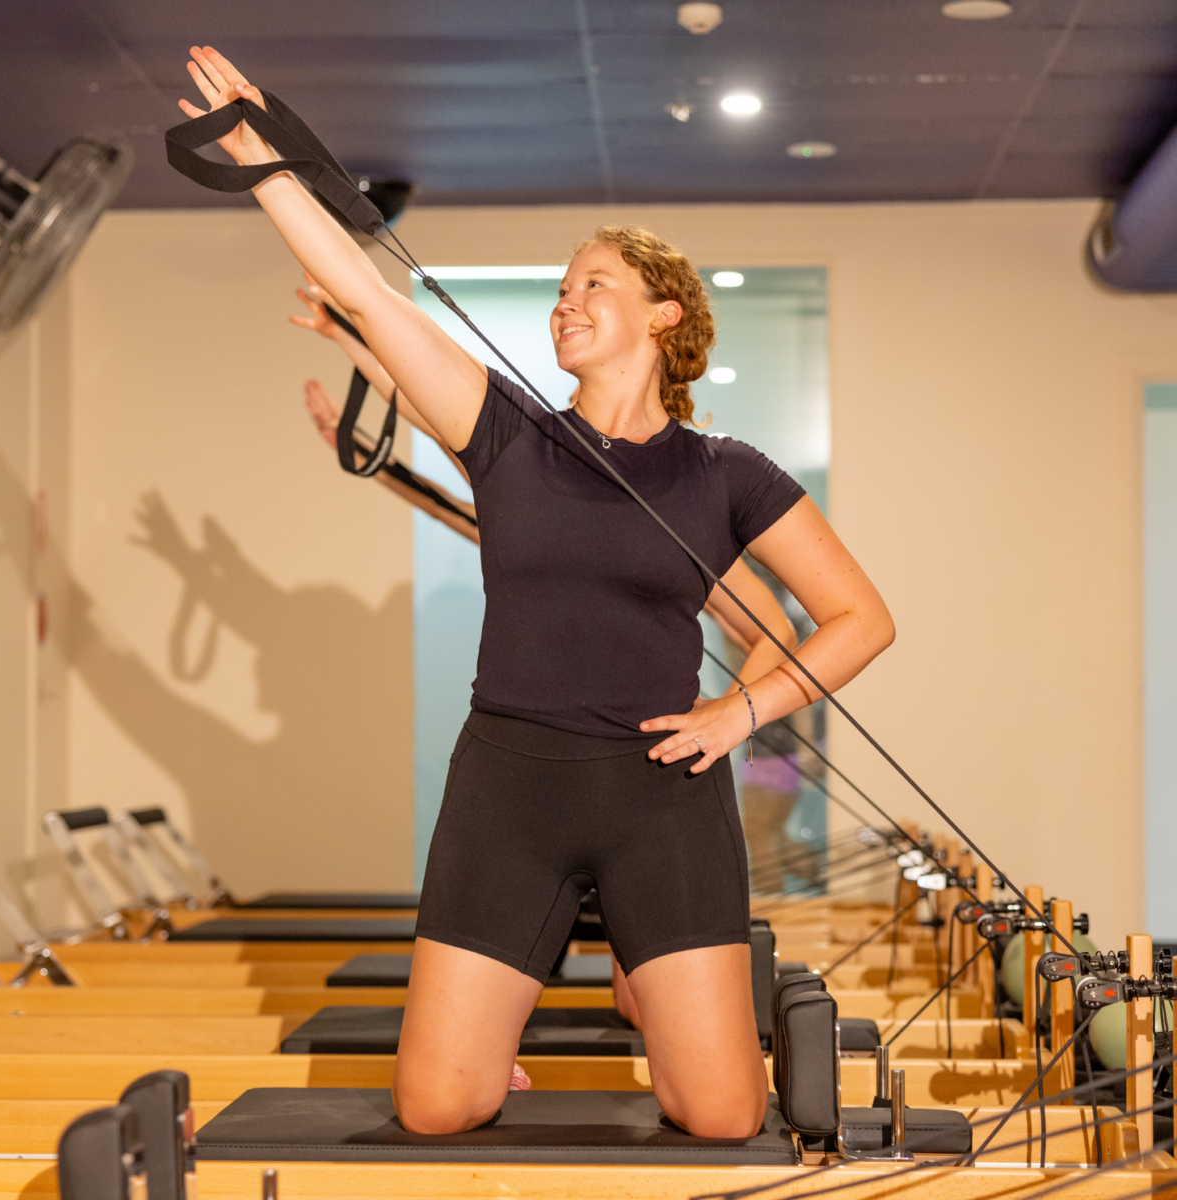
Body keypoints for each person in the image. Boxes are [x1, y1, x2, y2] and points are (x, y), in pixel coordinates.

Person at [179, 46, 895, 1139]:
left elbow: (860, 620)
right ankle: (513, 1028)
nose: (567, 303)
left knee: (720, 1115)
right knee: (437, 1107)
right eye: (561, 292)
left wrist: (740, 713)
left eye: (593, 284)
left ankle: (653, 998)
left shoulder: (726, 475)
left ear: (665, 314)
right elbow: (368, 293)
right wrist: (258, 158)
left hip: (662, 794)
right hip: (509, 788)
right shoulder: (506, 432)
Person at [294, 280, 802, 1028]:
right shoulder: (542, 508)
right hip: (545, 779)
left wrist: (730, 714)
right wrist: (353, 344)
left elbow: (776, 632)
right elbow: (445, 435)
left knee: (638, 999)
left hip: (653, 772)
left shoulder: (678, 519)